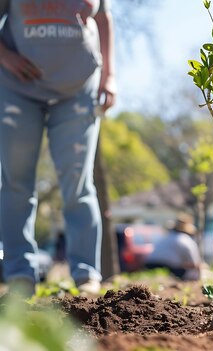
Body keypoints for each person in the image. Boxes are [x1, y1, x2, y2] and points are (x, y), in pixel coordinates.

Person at [0, 0, 115, 296]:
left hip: (78, 89)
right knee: (16, 181)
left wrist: (109, 76)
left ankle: (86, 274)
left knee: (78, 182)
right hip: (18, 89)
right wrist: (6, 57)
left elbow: (103, 18)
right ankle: (19, 275)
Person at [145, 214, 202, 281]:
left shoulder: (166, 236)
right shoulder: (186, 240)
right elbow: (194, 263)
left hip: (149, 265)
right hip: (168, 268)